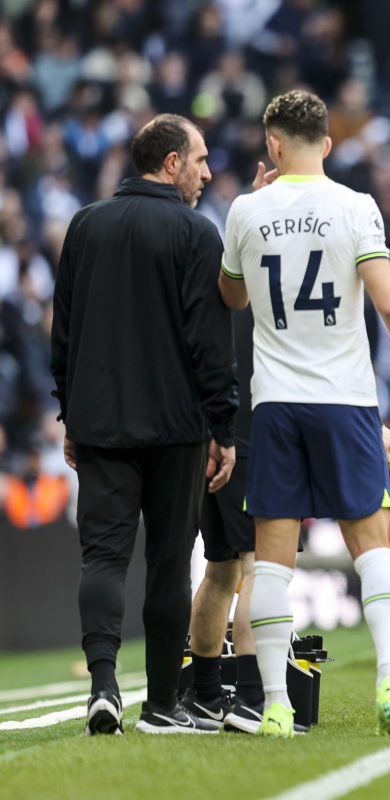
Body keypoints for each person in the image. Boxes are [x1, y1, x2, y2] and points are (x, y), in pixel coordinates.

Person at [217, 90, 390, 739]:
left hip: (278, 405)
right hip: (345, 402)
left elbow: (230, 294)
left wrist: (253, 216)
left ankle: (275, 704)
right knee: (372, 549)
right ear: (328, 141)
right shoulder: (355, 207)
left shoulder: (246, 209)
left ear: (272, 144)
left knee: (273, 561)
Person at [51, 113, 238, 735]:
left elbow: (65, 333)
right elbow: (209, 343)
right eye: (201, 159)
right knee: (167, 562)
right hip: (176, 427)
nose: (207, 172)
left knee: (102, 560)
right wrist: (224, 427)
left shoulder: (85, 225)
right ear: (171, 163)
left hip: (101, 424)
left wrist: (69, 413)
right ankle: (162, 705)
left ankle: (103, 686)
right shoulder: (196, 233)